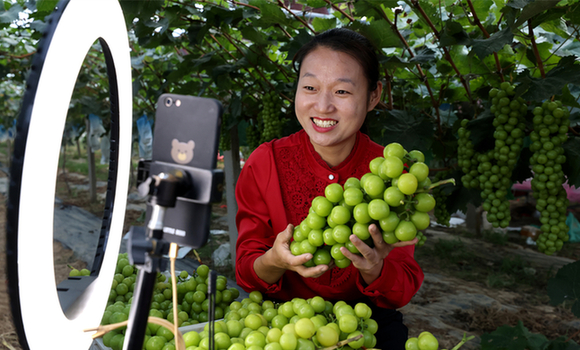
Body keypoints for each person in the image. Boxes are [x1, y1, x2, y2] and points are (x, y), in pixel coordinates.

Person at [235, 27, 424, 350]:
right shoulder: (265, 162)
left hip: (364, 327)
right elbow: (246, 271)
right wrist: (274, 261)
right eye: (310, 87)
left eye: (342, 92)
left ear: (374, 96)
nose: (322, 106)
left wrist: (375, 268)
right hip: (282, 328)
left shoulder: (395, 176)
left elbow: (401, 290)